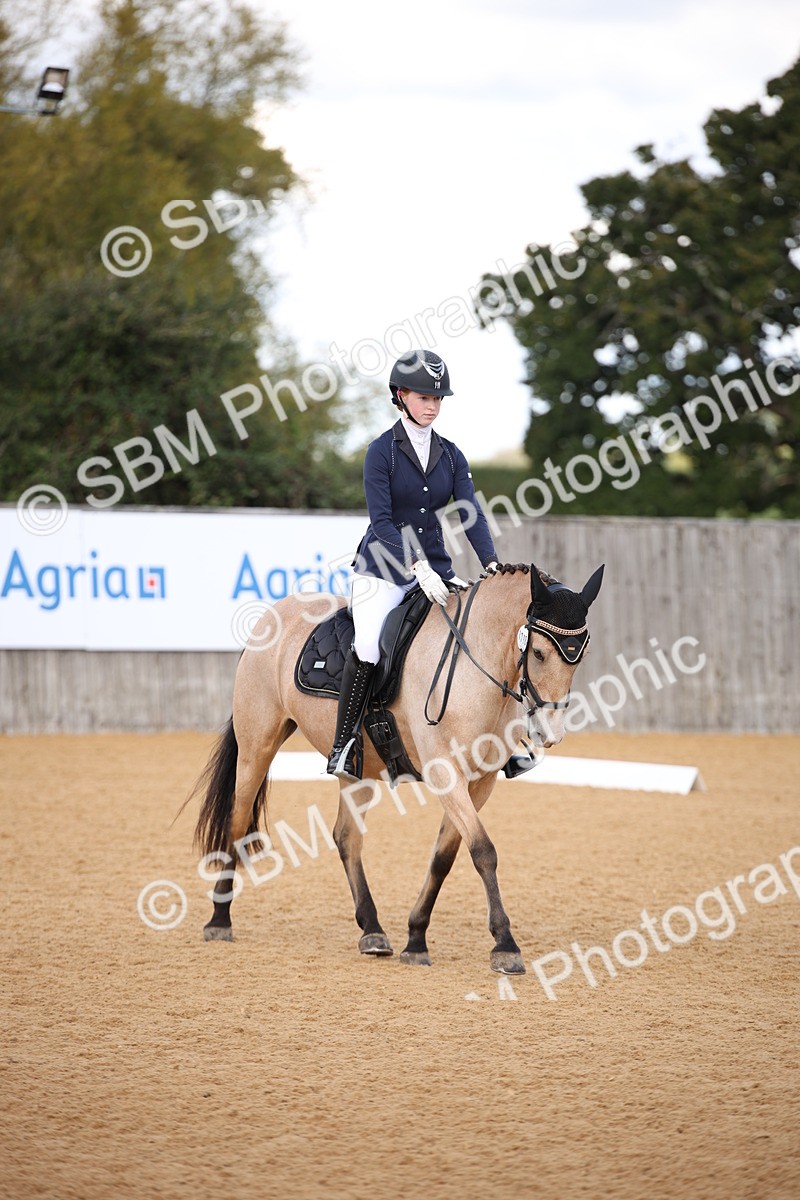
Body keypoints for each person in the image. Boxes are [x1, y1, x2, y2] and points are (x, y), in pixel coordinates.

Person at [327, 348, 534, 782]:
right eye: (424, 397)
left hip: (438, 569)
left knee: (483, 635)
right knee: (367, 645)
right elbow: (382, 520)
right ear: (400, 395)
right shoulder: (380, 452)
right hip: (381, 569)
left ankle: (506, 741)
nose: (433, 405)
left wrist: (491, 563)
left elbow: (470, 512)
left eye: (438, 399)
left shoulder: (451, 454)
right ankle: (345, 743)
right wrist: (414, 566)